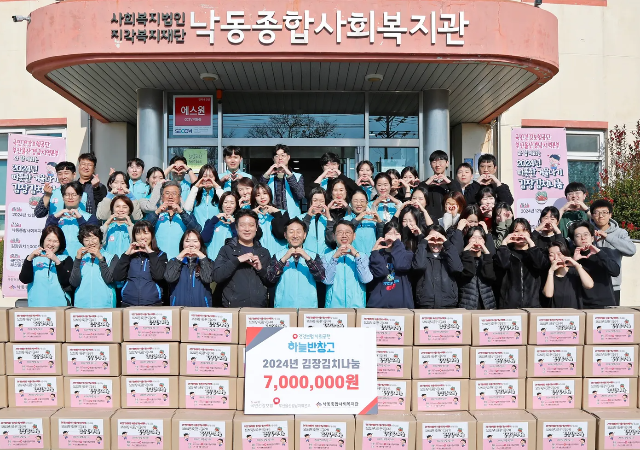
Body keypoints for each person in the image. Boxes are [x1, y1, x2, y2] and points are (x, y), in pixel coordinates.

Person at [212, 210, 271, 307]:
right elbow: (217, 277)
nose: (247, 229)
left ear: (256, 227)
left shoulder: (263, 252)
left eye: (251, 225)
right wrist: (237, 260)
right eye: (242, 225)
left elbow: (269, 282)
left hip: (258, 310)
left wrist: (260, 270)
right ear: (236, 227)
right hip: (233, 310)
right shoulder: (227, 250)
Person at [266, 218, 326, 308]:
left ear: (304, 235)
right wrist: (284, 258)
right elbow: (270, 278)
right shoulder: (278, 256)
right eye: (291, 232)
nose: (295, 235)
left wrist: (307, 258)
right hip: (283, 306)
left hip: (308, 307)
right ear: (285, 235)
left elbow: (321, 277)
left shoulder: (313, 256)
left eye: (298, 232)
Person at [590, 199, 636, 305]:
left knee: (610, 319)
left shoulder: (620, 233)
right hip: (590, 284)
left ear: (610, 214)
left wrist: (607, 237)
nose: (600, 216)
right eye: (596, 213)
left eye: (604, 212)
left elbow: (631, 250)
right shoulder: (587, 231)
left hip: (612, 286)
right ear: (592, 215)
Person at [113, 221, 168, 307]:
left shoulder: (160, 255)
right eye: (138, 234)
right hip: (128, 303)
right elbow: (117, 277)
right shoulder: (128, 255)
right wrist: (126, 255)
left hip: (153, 304)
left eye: (146, 233)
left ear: (152, 235)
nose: (142, 237)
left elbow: (158, 276)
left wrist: (151, 254)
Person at [494, 218, 547, 308]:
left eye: (524, 230)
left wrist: (531, 244)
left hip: (533, 305)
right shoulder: (506, 252)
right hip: (509, 306)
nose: (520, 234)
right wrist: (504, 243)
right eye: (516, 231)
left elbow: (541, 265)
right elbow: (503, 264)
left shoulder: (537, 252)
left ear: (529, 233)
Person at [144, 180, 201, 259]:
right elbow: (144, 229)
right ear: (162, 197)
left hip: (180, 259)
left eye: (174, 194)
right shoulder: (155, 214)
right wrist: (157, 212)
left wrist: (181, 212)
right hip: (158, 259)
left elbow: (197, 229)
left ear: (180, 197)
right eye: (167, 193)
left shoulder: (186, 214)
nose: (170, 197)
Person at [568, 220, 620, 308]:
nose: (583, 238)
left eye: (586, 234)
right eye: (578, 236)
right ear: (573, 241)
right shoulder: (571, 257)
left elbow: (615, 272)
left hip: (605, 304)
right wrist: (573, 262)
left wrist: (599, 253)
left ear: (592, 238)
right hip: (580, 305)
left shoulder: (604, 252)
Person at [322, 220, 372, 308]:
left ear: (354, 236)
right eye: (340, 232)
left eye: (348, 232)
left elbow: (366, 279)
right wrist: (335, 258)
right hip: (333, 307)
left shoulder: (362, 256)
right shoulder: (326, 257)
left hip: (357, 307)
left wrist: (356, 256)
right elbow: (327, 280)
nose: (344, 235)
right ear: (334, 236)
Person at [412, 224, 463, 308]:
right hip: (426, 303)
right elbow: (419, 266)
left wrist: (447, 244)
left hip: (447, 303)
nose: (435, 243)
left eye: (439, 239)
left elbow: (457, 268)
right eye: (432, 239)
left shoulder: (449, 256)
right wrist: (423, 243)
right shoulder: (422, 255)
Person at [19, 226, 72, 306]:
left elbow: (67, 282)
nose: (51, 244)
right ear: (43, 240)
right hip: (37, 305)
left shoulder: (66, 259)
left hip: (60, 306)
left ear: (60, 243)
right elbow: (24, 279)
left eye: (55, 241)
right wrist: (29, 258)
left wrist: (57, 261)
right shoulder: (34, 258)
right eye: (49, 240)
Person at [45, 181, 100, 257]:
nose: (70, 197)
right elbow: (46, 236)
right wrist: (55, 218)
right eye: (67, 195)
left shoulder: (90, 218)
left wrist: (80, 219)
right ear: (63, 197)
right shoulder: (54, 217)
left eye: (74, 195)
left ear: (80, 197)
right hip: (59, 260)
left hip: (82, 259)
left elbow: (92, 238)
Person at [70, 225, 119, 308]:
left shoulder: (112, 257)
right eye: (86, 240)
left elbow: (109, 279)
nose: (91, 242)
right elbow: (74, 282)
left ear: (100, 239)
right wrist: (78, 260)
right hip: (81, 305)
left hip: (104, 304)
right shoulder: (80, 258)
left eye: (94, 238)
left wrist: (100, 258)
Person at [368, 221, 414, 308]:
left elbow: (400, 265)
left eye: (396, 234)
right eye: (389, 233)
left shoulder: (407, 254)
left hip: (402, 306)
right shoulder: (377, 255)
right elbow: (380, 272)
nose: (393, 237)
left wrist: (397, 244)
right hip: (379, 305)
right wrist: (374, 252)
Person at [164, 230, 215, 307]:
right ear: (182, 244)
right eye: (187, 241)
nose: (191, 245)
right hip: (179, 308)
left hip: (201, 309)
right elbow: (169, 278)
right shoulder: (174, 261)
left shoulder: (208, 262)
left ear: (200, 244)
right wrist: (180, 257)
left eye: (195, 241)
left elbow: (208, 279)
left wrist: (202, 258)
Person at [542, 240, 593, 308]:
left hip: (574, 315)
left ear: (565, 254)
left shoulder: (575, 271)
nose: (556, 258)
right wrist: (551, 272)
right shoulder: (548, 274)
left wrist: (576, 265)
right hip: (555, 316)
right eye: (551, 255)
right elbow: (548, 294)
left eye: (559, 254)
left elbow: (589, 285)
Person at [330, 189, 380, 256]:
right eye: (355, 201)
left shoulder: (373, 219)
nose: (359, 204)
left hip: (372, 258)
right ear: (350, 203)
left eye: (362, 201)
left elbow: (381, 237)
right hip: (352, 258)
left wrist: (380, 223)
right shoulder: (345, 220)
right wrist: (356, 220)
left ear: (367, 203)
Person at [259, 144, 305, 217]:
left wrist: (289, 175)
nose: (280, 158)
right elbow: (258, 192)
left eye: (283, 155)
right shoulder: (268, 177)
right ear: (273, 159)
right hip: (271, 218)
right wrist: (267, 173)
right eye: (276, 156)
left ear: (288, 157)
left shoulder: (297, 176)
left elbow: (300, 195)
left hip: (292, 218)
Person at [458, 226, 496, 310]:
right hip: (467, 304)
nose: (477, 241)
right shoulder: (463, 258)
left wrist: (486, 253)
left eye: (480, 238)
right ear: (467, 240)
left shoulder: (487, 258)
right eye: (473, 237)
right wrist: (466, 252)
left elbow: (489, 276)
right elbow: (467, 274)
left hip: (487, 304)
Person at [419, 150, 462, 220]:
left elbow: (459, 198)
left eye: (440, 161)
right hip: (429, 220)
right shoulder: (426, 183)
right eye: (434, 162)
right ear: (430, 164)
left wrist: (449, 183)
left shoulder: (454, 183)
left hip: (449, 219)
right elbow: (417, 195)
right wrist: (426, 184)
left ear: (447, 163)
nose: (437, 165)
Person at [251, 183, 288, 255]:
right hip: (259, 256)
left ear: (270, 195)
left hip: (279, 255)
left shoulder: (282, 213)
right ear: (254, 198)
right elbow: (253, 237)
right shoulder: (251, 215)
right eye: (258, 195)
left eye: (265, 193)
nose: (262, 197)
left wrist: (277, 214)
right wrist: (252, 217)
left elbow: (281, 234)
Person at [183, 164, 223, 228]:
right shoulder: (195, 193)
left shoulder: (219, 193)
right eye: (204, 176)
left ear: (215, 178)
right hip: (199, 233)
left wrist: (217, 187)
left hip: (216, 232)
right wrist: (195, 187)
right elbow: (187, 208)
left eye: (211, 177)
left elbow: (226, 202)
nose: (207, 179)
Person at [201, 192, 238, 260]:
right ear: (221, 204)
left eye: (232, 203)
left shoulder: (238, 224)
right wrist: (214, 220)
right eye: (225, 202)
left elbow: (239, 243)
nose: (228, 206)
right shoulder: (211, 222)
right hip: (212, 262)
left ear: (235, 207)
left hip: (229, 264)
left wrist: (233, 225)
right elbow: (204, 239)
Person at [302, 187, 333, 256]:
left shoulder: (329, 220)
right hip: (306, 258)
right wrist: (308, 217)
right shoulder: (300, 219)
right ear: (310, 202)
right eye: (315, 200)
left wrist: (329, 219)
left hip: (326, 258)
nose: (318, 204)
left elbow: (333, 241)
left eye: (321, 201)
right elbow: (300, 237)